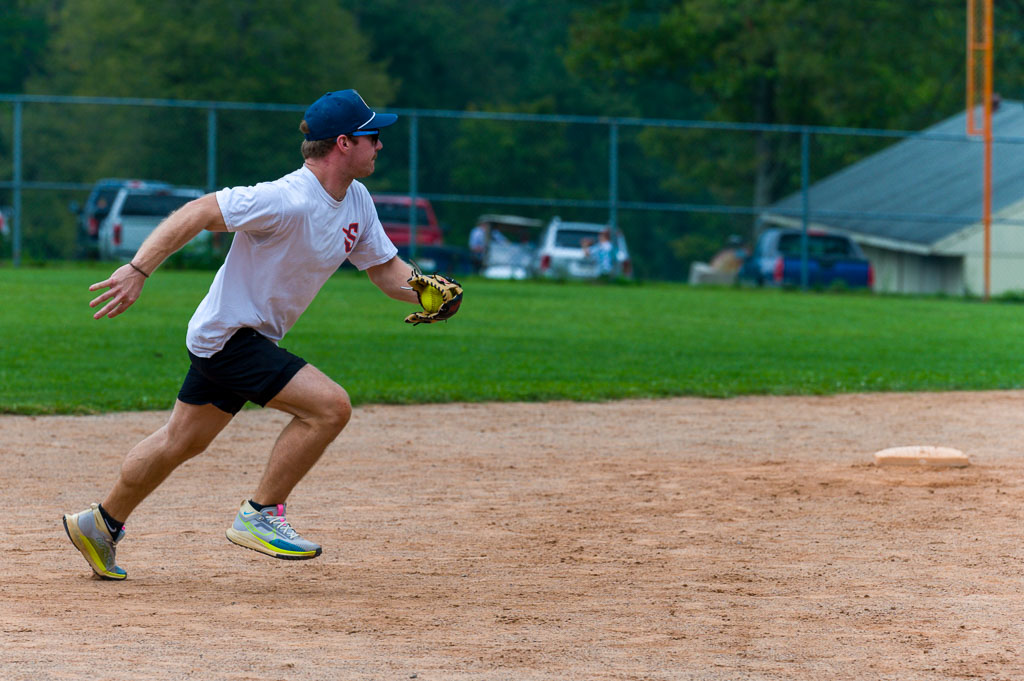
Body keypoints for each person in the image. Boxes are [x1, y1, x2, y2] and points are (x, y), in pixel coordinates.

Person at [62, 89, 454, 580]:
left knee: (180, 442)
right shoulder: (286, 198)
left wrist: (427, 292)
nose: (380, 145)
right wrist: (139, 269)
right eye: (373, 136)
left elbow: (384, 269)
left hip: (238, 338)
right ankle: (261, 514)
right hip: (230, 337)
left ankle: (99, 524)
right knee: (330, 408)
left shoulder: (356, 200)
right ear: (343, 143)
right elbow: (200, 211)